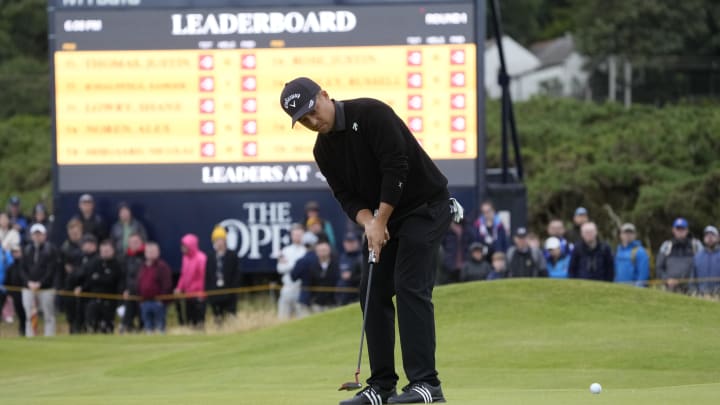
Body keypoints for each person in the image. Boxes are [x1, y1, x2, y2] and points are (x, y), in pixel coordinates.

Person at [281, 77, 452, 404]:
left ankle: (427, 384)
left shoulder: (372, 113)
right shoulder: (323, 150)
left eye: (313, 111)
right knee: (372, 291)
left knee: (408, 285)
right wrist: (369, 222)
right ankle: (382, 385)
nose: (313, 122)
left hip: (425, 206)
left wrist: (380, 220)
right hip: (384, 217)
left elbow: (396, 169)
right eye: (303, 120)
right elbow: (345, 196)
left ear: (325, 96)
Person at [20, 223, 60, 337]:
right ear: (31, 236)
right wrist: (28, 282)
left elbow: (51, 270)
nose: (37, 237)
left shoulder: (51, 249)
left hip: (46, 288)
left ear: (45, 235)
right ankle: (30, 337)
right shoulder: (27, 249)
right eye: (35, 234)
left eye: (40, 234)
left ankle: (49, 338)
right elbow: (22, 269)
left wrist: (41, 283)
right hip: (28, 288)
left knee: (49, 315)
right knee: (29, 315)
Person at [76, 240, 122, 334]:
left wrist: (98, 278)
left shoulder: (117, 264)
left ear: (112, 251)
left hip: (110, 300)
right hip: (94, 299)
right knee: (91, 323)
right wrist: (82, 287)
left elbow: (112, 281)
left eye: (107, 251)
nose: (105, 253)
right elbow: (89, 280)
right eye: (103, 251)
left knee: (107, 327)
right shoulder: (95, 263)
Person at [205, 225, 242, 326]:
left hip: (229, 294)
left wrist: (233, 290)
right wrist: (209, 292)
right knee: (218, 320)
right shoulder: (210, 257)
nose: (218, 242)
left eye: (220, 239)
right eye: (216, 240)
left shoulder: (232, 255)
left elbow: (236, 274)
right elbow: (207, 276)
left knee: (231, 319)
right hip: (215, 294)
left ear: (225, 240)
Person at [656, 218, 703, 294]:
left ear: (687, 230)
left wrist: (682, 280)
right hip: (669, 288)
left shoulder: (696, 245)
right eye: (678, 229)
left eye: (683, 229)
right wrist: (667, 279)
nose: (680, 231)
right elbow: (659, 267)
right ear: (673, 230)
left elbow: (700, 267)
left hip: (691, 289)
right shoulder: (666, 245)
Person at [63, 230, 96, 334]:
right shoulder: (78, 257)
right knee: (73, 317)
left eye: (90, 244)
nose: (87, 246)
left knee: (86, 318)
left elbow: (92, 277)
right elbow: (72, 275)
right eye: (85, 244)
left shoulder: (97, 260)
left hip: (88, 294)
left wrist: (82, 287)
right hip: (74, 293)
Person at [276, 224, 311, 320]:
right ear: (291, 236)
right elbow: (280, 269)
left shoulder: (306, 251)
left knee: (303, 318)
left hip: (301, 288)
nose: (297, 237)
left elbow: (306, 268)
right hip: (287, 288)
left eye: (299, 235)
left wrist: (288, 263)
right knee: (283, 318)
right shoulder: (286, 250)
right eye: (295, 235)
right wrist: (296, 265)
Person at [137, 241, 173, 334]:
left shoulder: (162, 267)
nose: (151, 254)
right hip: (145, 302)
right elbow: (139, 283)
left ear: (158, 252)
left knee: (160, 326)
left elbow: (167, 284)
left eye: (153, 251)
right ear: (145, 253)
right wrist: (140, 300)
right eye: (149, 251)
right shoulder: (142, 266)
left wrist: (161, 300)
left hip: (158, 303)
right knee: (148, 327)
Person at [175, 233, 207, 329]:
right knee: (190, 321)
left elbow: (205, 277)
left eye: (184, 246)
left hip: (199, 296)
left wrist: (202, 294)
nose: (182, 249)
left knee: (199, 322)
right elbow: (183, 275)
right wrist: (179, 288)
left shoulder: (201, 258)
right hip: (188, 295)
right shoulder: (185, 258)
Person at [289, 231, 320, 318]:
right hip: (320, 297)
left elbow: (293, 277)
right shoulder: (320, 259)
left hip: (305, 296)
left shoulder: (301, 261)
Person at [119, 233, 145, 333]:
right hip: (129, 292)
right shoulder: (125, 258)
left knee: (142, 317)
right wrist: (124, 290)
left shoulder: (146, 256)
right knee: (127, 315)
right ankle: (127, 328)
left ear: (141, 242)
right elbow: (123, 276)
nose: (134, 244)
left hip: (143, 293)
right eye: (132, 242)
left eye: (136, 242)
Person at [614, 223, 650, 287]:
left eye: (630, 233)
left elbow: (643, 275)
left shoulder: (640, 252)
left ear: (635, 235)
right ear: (621, 235)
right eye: (625, 233)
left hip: (633, 289)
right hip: (619, 288)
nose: (628, 235)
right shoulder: (618, 251)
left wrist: (637, 290)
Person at [439, 219, 474, 285]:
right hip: (450, 264)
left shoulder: (467, 228)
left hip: (464, 263)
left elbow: (472, 241)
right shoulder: (446, 229)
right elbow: (442, 244)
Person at [3, 243, 26, 336]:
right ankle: (22, 330)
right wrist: (10, 293)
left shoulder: (25, 265)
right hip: (16, 294)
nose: (16, 254)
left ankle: (27, 330)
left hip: (25, 292)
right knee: (20, 313)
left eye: (17, 252)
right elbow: (7, 281)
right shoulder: (10, 267)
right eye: (14, 252)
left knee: (27, 313)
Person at [336, 232, 363, 305]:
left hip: (357, 295)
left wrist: (351, 276)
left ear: (357, 242)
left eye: (352, 242)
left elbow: (365, 276)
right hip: (342, 296)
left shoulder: (362, 256)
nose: (349, 244)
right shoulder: (342, 257)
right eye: (347, 242)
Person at [692, 226, 720, 297]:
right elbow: (692, 279)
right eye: (707, 235)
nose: (709, 237)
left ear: (718, 237)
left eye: (712, 235)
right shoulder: (697, 257)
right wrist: (695, 292)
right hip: (701, 295)